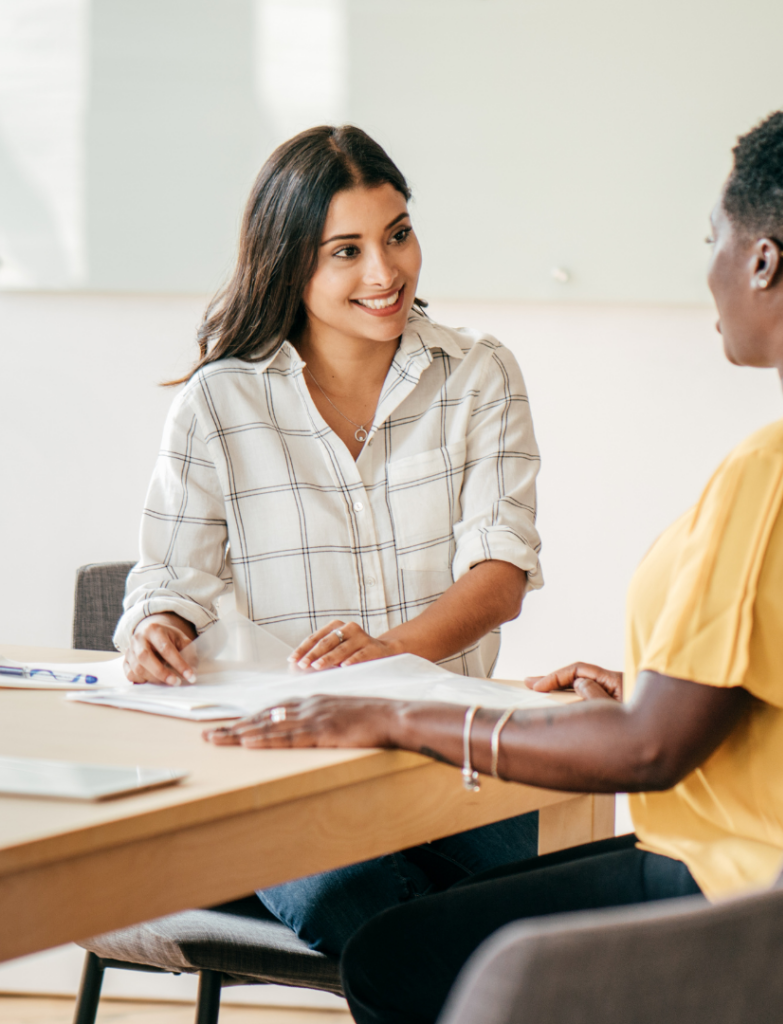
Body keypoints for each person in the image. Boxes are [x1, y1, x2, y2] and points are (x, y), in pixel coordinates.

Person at [206, 101, 783, 1024]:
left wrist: (394, 711)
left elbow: (652, 751)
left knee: (394, 955)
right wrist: (646, 689)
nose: (708, 269)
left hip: (758, 898)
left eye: (715, 239)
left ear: (764, 260)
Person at [114, 125, 544, 953]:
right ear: (289, 263)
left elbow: (500, 575)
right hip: (284, 779)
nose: (385, 273)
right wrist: (158, 630)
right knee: (372, 908)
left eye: (398, 235)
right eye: (344, 251)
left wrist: (384, 656)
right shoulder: (218, 404)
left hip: (448, 766)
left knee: (564, 889)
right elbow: (167, 580)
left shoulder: (478, 374)